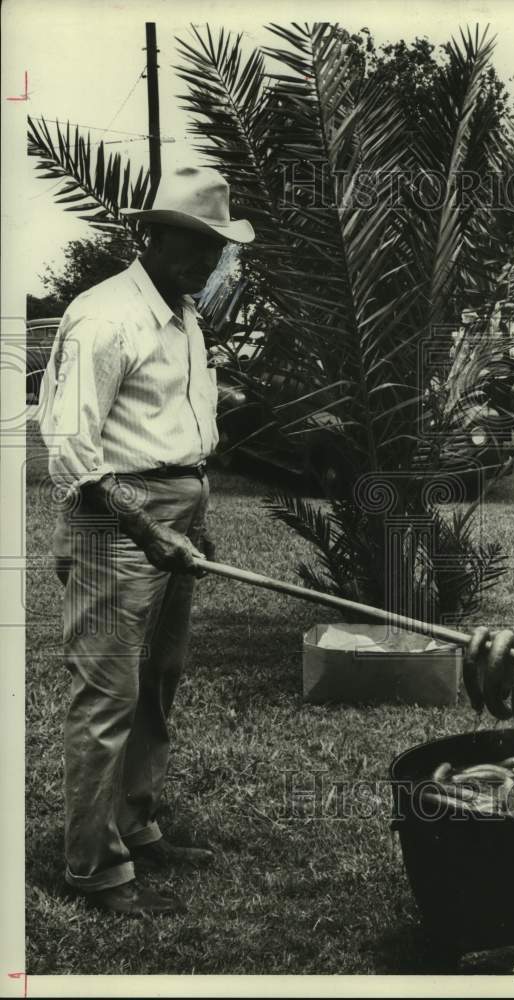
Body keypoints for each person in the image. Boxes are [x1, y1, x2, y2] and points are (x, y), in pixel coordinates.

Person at [38, 165, 255, 916]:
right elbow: (67, 444)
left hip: (176, 508)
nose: (203, 261)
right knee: (107, 693)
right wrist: (147, 526)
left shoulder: (186, 317)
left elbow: (181, 436)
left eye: (214, 247)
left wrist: (195, 514)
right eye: (190, 243)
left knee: (158, 681)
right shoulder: (104, 316)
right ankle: (92, 864)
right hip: (113, 518)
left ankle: (137, 822)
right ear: (149, 237)